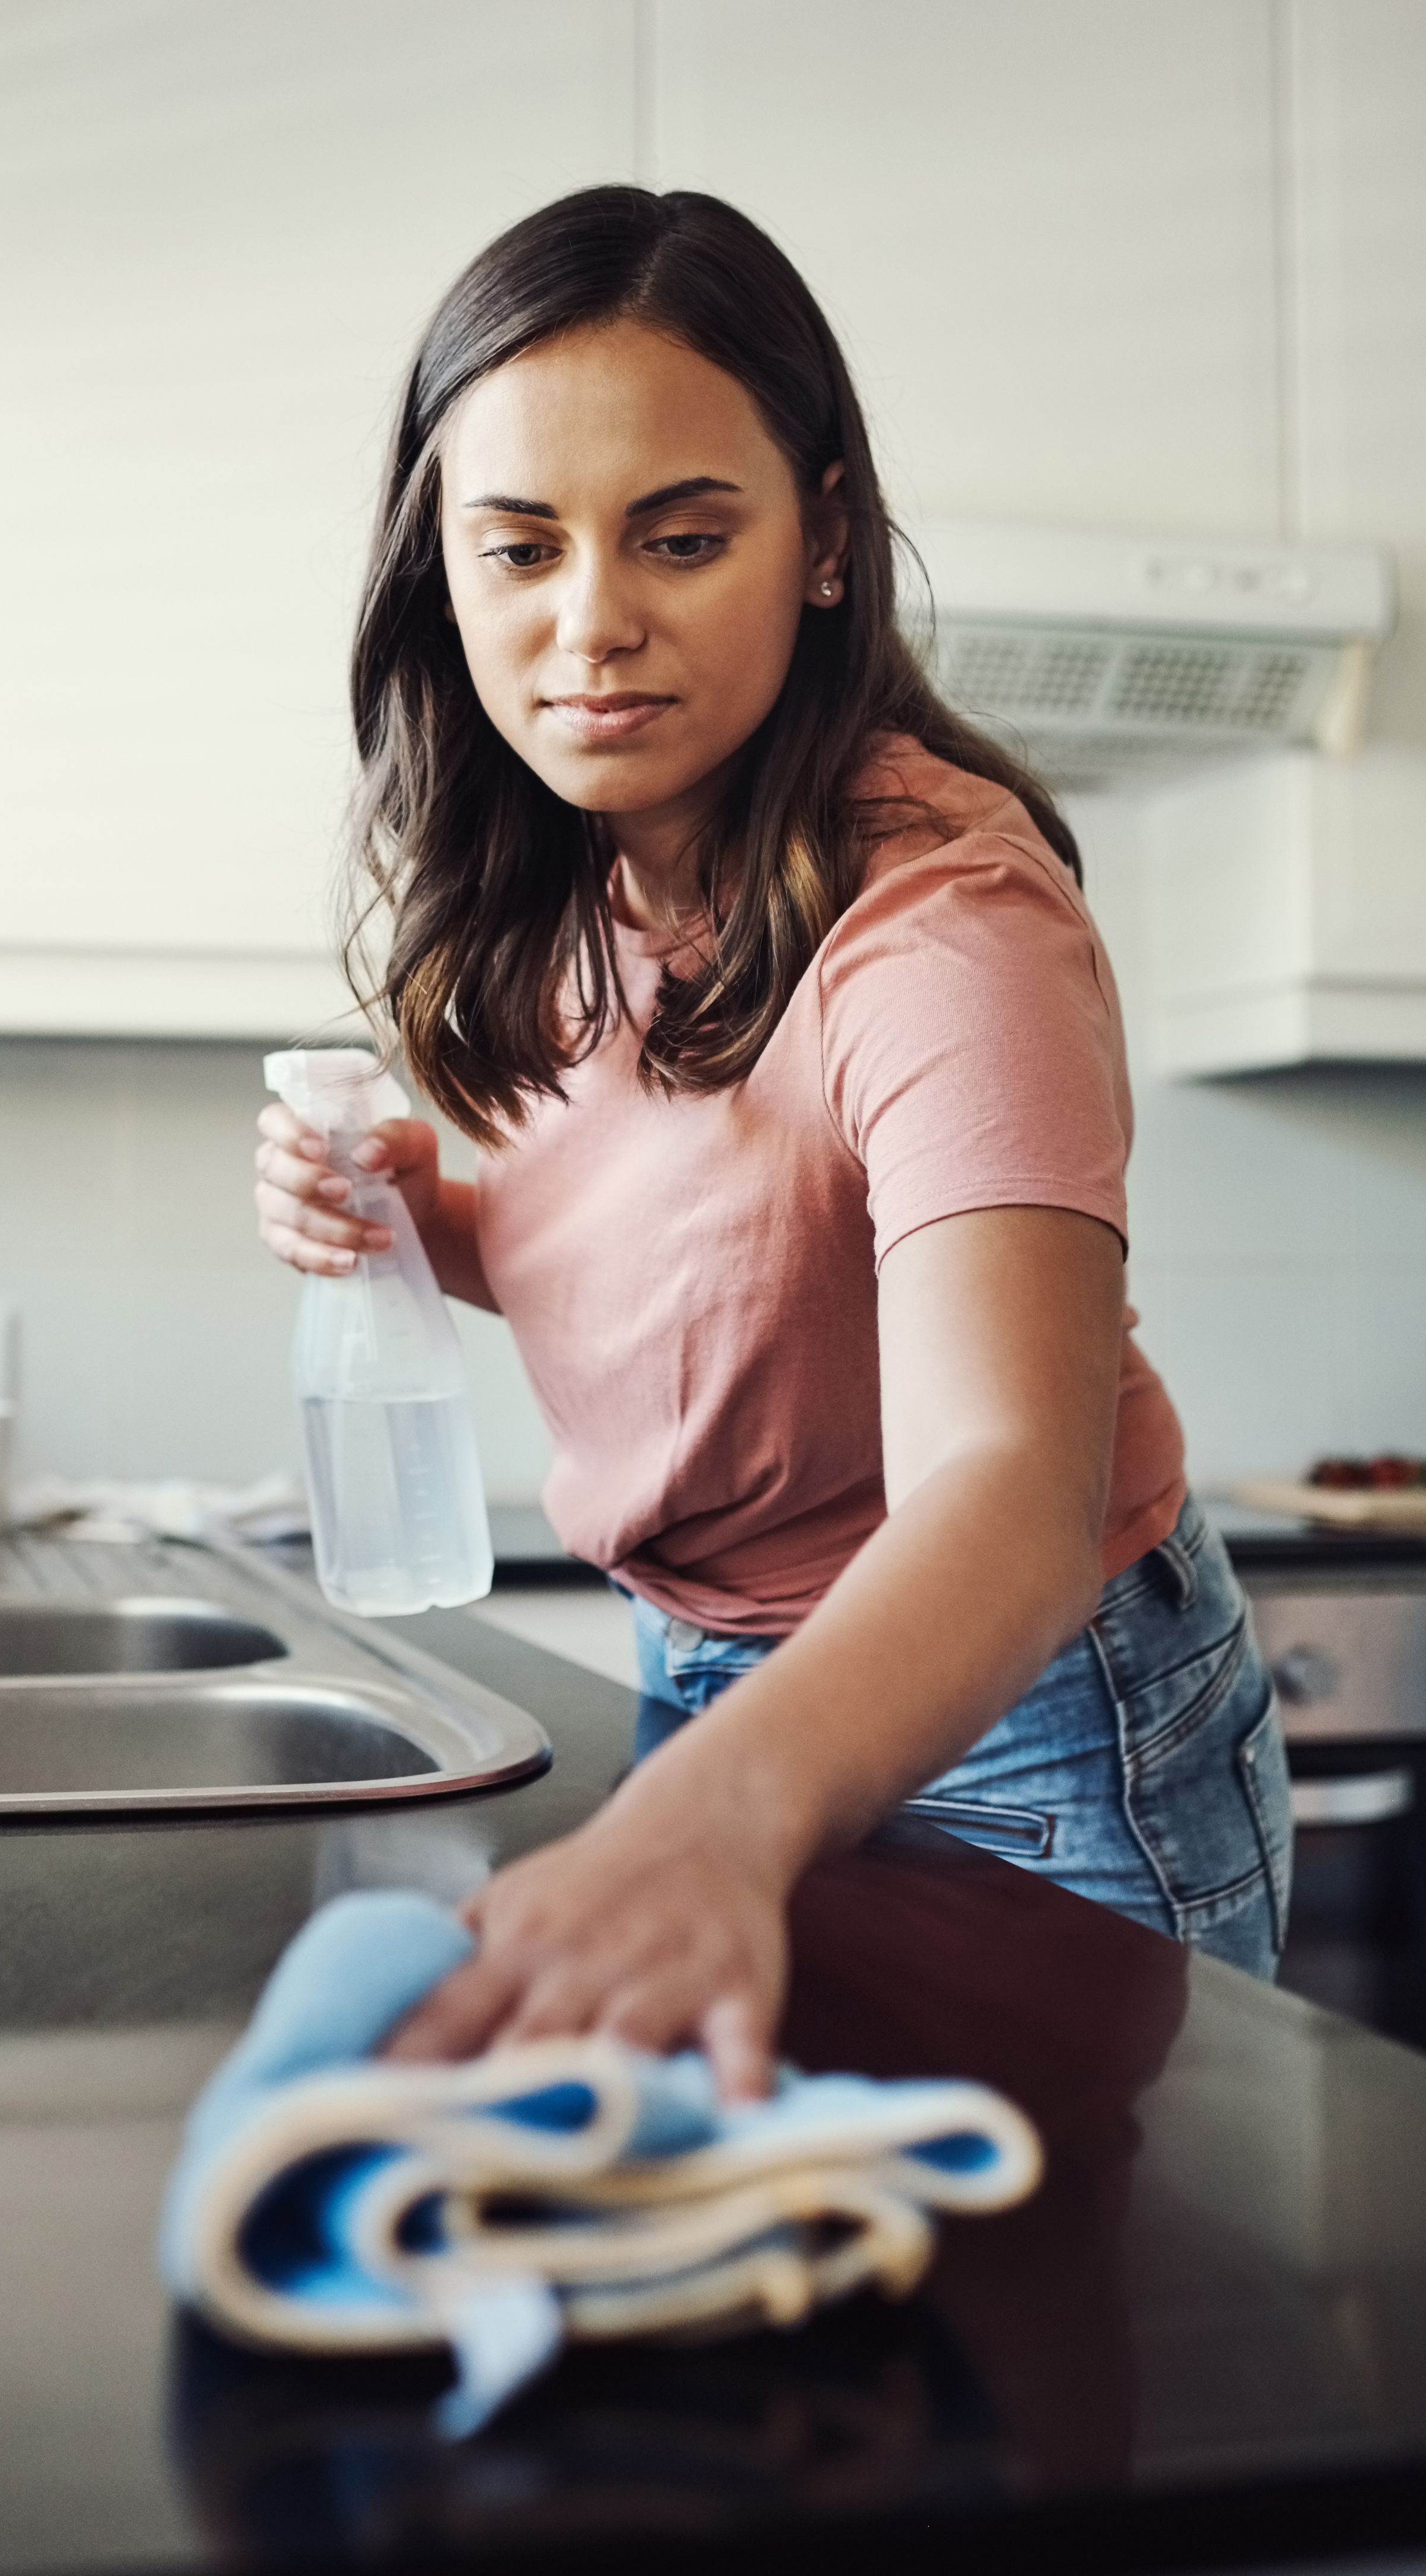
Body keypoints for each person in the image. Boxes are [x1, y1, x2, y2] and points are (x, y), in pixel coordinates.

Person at [255, 185, 1292, 2099]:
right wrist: (439, 1221)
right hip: (727, 1679)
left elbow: (1008, 1485)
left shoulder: (940, 924)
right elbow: (719, 1267)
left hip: (1022, 1720)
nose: (591, 625)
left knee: (1054, 2337)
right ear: (443, 574)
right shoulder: (583, 872)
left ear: (822, 537)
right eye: (520, 548)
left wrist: (716, 1817)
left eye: (682, 534)